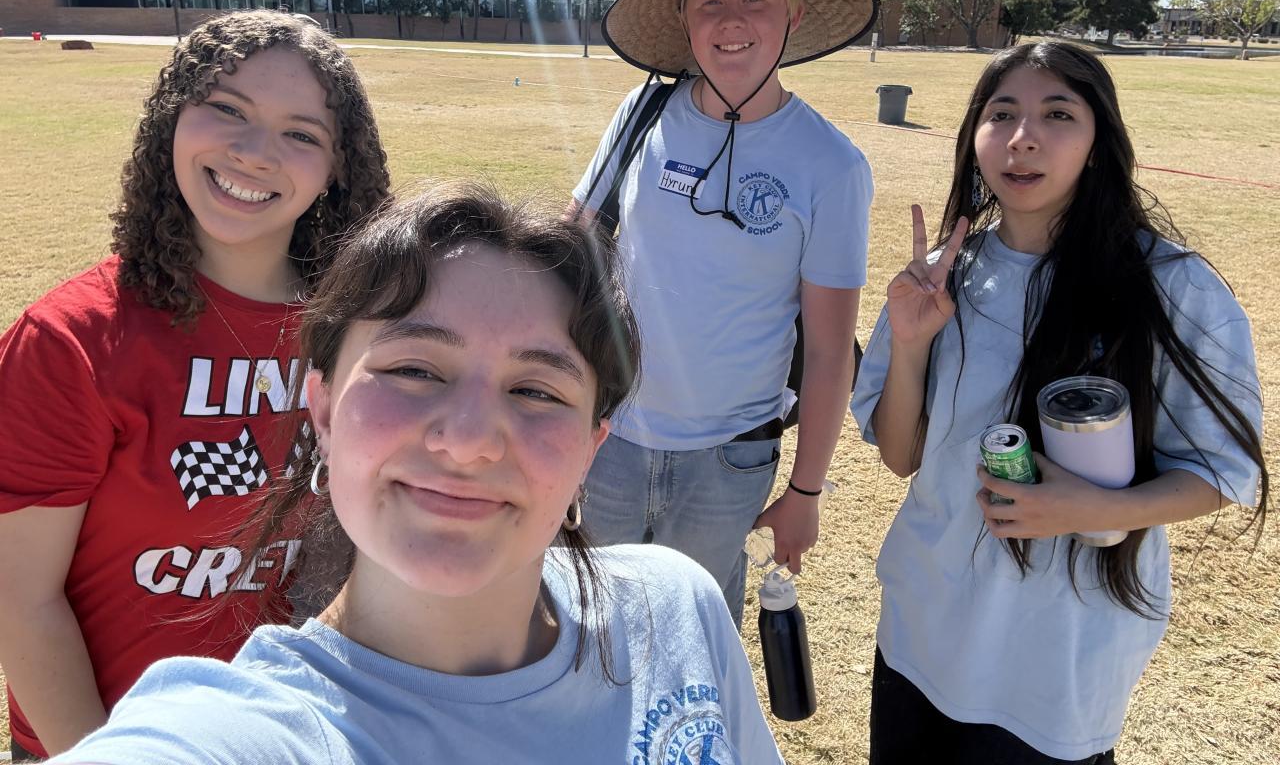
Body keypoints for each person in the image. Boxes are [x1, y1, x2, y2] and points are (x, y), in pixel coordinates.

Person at [47, 184, 784, 765]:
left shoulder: (676, 608)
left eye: (536, 390)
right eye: (414, 370)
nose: (468, 442)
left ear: (592, 446)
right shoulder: (235, 735)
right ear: (323, 410)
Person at [850, 42, 1268, 764]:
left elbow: (1221, 471)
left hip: (1057, 659)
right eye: (1001, 114)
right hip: (921, 631)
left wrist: (1098, 509)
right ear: (974, 137)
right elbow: (900, 456)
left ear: (1100, 141)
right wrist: (912, 344)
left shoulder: (1172, 286)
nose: (1023, 137)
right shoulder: (944, 276)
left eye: (1058, 114)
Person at [0, 10, 392, 760]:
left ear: (337, 167)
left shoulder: (356, 330)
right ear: (172, 119)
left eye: (301, 134)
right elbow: (21, 599)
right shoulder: (71, 340)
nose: (254, 153)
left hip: (280, 732)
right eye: (228, 110)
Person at [570, 0, 877, 624]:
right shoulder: (641, 113)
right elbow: (573, 246)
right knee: (593, 629)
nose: (732, 21)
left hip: (730, 459)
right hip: (609, 438)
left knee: (693, 640)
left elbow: (830, 351)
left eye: (754, 0)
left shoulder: (832, 165)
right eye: (710, 2)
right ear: (684, 20)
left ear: (792, 15)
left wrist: (806, 492)